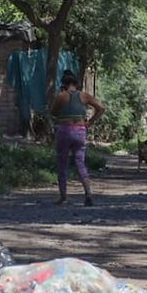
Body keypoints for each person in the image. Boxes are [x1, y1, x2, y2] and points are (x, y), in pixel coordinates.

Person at [50, 70, 105, 206]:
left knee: (62, 163)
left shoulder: (61, 96)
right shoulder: (84, 96)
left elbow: (53, 112)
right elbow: (101, 108)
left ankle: (63, 198)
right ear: (76, 84)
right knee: (80, 163)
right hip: (80, 131)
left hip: (64, 130)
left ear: (64, 84)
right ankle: (88, 194)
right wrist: (90, 122)